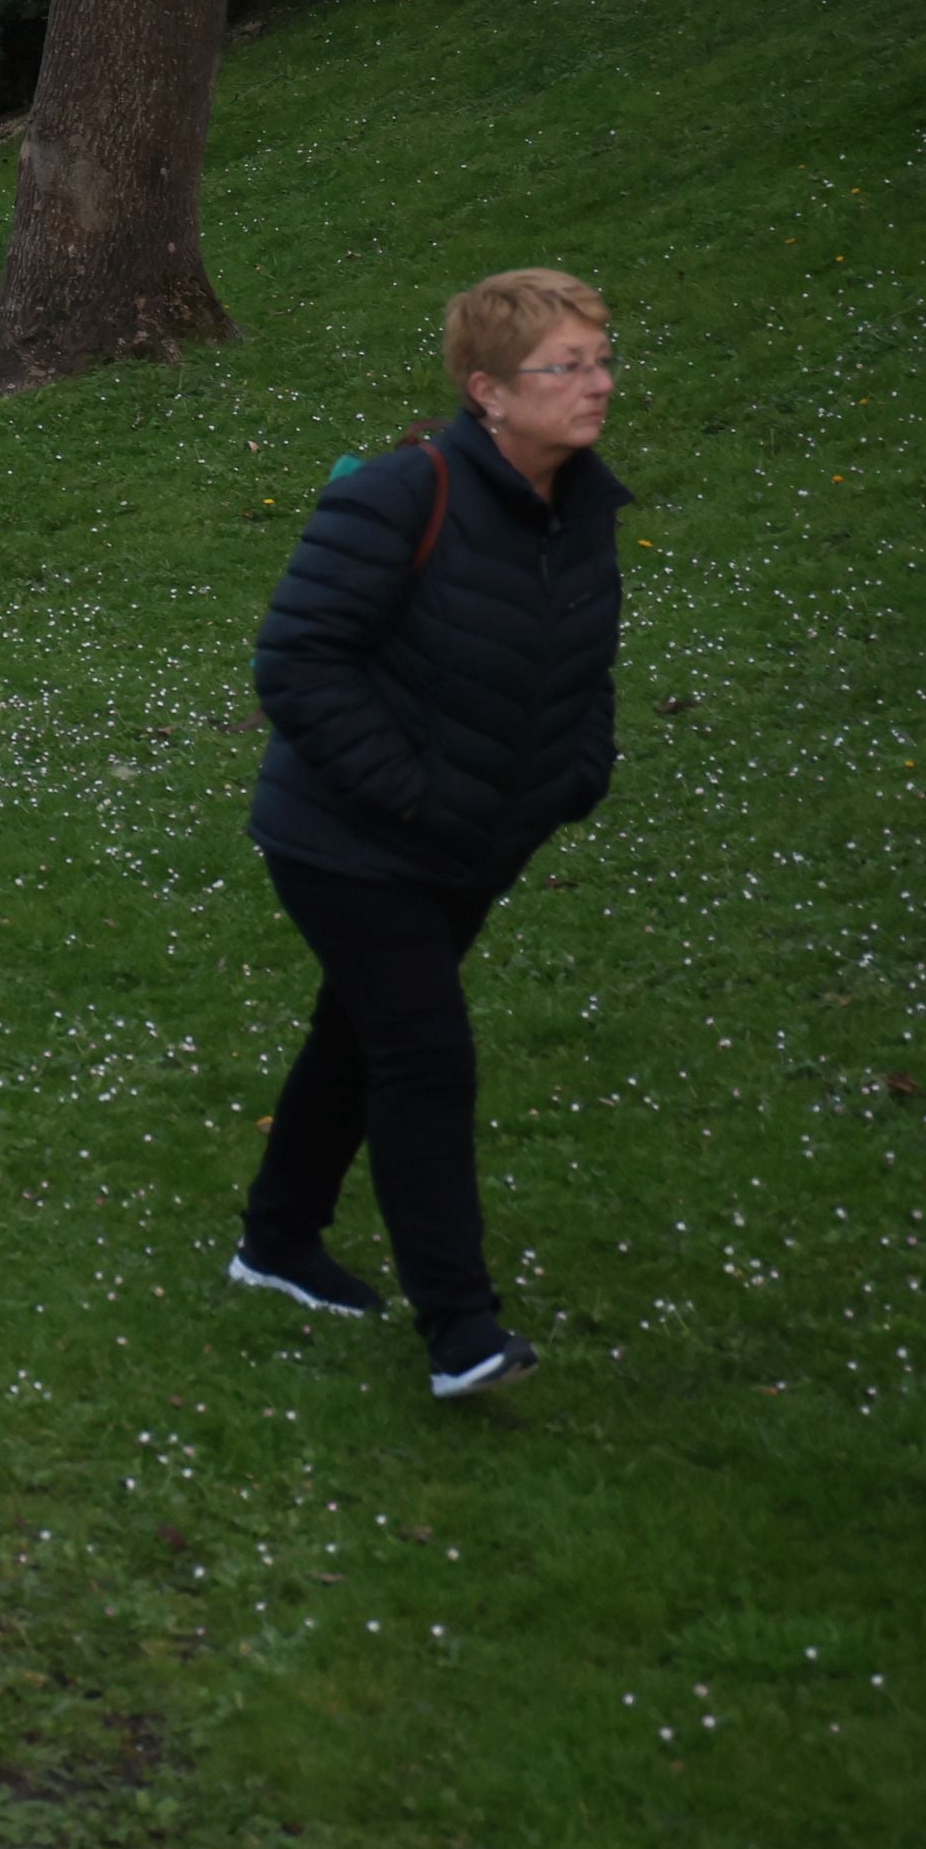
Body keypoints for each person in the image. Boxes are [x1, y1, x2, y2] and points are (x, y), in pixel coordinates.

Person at [234, 267, 625, 1401]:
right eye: (568, 366)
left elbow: (582, 658)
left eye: (602, 360)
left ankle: (275, 1243)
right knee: (424, 1053)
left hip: (475, 843)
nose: (596, 386)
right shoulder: (403, 493)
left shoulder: (580, 506)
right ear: (487, 390)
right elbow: (296, 659)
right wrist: (408, 792)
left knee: (361, 1036)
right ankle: (463, 1334)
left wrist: (576, 775)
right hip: (348, 841)